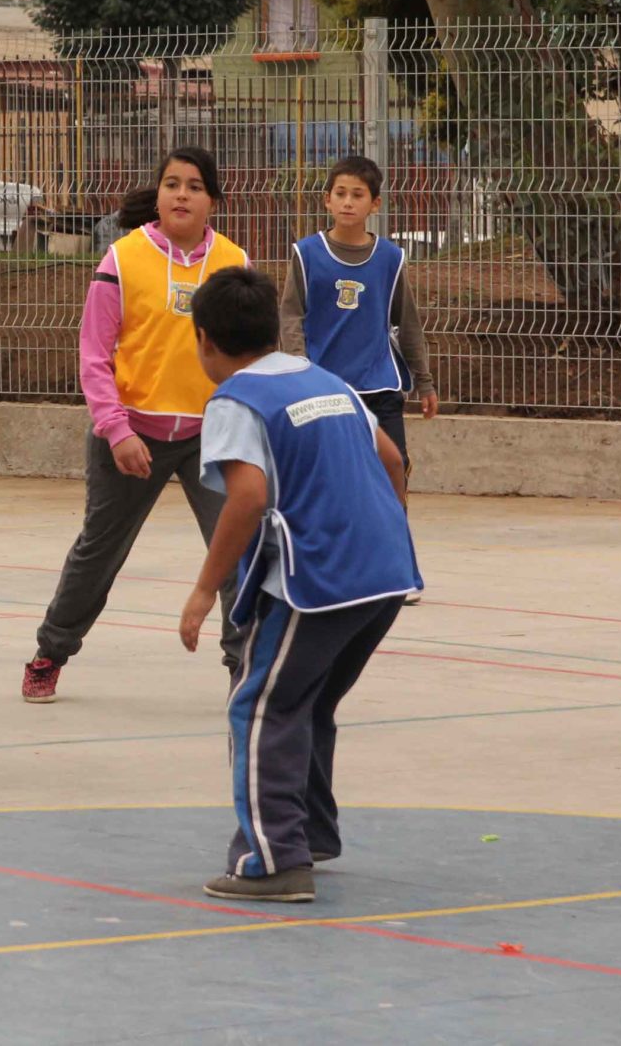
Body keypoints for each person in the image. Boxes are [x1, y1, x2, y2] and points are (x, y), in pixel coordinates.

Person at [177, 267, 419, 902]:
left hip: (319, 578)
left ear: (205, 340)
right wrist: (382, 527)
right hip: (387, 571)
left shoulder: (235, 400)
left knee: (261, 705)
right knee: (306, 702)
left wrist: (204, 590)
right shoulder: (328, 380)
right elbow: (393, 459)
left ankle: (272, 860)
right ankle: (308, 833)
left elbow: (247, 498)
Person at [21, 147, 250, 703]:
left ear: (213, 200)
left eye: (194, 186)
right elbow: (94, 355)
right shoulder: (123, 259)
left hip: (210, 435)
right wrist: (116, 429)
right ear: (159, 194)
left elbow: (249, 356)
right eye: (172, 183)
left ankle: (245, 669)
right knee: (99, 552)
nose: (181, 194)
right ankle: (51, 651)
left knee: (238, 552)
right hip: (131, 433)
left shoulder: (235, 263)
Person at [280, 155, 437, 466]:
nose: (348, 202)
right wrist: (300, 371)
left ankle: (393, 501)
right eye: (340, 193)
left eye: (357, 194)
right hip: (324, 387)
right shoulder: (307, 254)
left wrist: (425, 381)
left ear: (375, 204)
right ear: (327, 200)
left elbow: (407, 324)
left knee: (394, 465)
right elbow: (290, 316)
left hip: (379, 385)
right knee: (330, 470)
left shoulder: (390, 258)